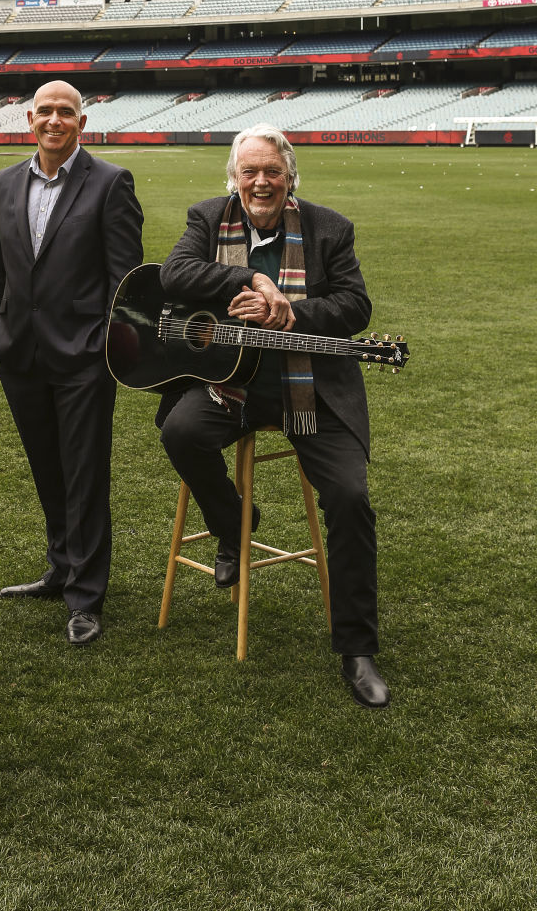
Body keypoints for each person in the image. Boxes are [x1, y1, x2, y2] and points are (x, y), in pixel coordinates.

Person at [156, 123, 390, 708]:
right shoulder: (208, 217)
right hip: (232, 385)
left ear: (291, 177)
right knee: (180, 432)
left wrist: (289, 311)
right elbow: (174, 274)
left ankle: (357, 648)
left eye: (273, 173)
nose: (261, 182)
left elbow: (355, 307)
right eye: (249, 172)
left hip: (307, 389)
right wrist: (251, 278)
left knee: (350, 498)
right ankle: (236, 523)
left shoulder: (328, 227)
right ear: (233, 178)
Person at [0, 80, 144, 646]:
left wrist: (101, 345)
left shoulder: (109, 183)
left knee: (84, 473)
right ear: (29, 118)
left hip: (82, 357)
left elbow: (126, 280)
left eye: (66, 112)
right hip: (19, 352)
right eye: (45, 111)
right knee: (47, 467)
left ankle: (86, 595)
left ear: (83, 121)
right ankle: (60, 567)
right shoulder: (4, 181)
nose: (55, 120)